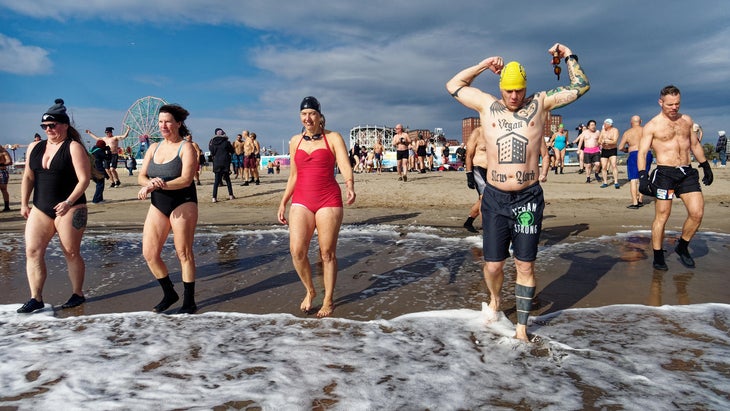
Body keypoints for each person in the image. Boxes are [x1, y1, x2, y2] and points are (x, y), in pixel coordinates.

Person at [446, 43, 590, 341]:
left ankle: (522, 328)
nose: (514, 96)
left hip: (527, 199)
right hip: (495, 198)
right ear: (501, 86)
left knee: (525, 263)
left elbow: (581, 85)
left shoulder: (540, 103)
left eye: (519, 90)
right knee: (493, 265)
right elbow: (454, 85)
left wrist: (568, 55)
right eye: (509, 90)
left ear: (526, 87)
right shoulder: (486, 105)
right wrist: (484, 64)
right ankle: (496, 300)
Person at [277, 96, 356, 318]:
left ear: (320, 116)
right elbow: (293, 175)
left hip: (328, 199)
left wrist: (350, 185)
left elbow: (344, 164)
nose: (308, 118)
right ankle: (310, 290)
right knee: (297, 251)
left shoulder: (333, 137)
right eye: (304, 114)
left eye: (312, 113)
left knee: (327, 253)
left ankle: (328, 299)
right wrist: (283, 201)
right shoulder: (295, 141)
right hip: (301, 199)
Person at [17, 98, 91, 313]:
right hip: (41, 207)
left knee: (71, 252)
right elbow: (28, 177)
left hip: (71, 206)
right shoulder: (35, 147)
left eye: (52, 125)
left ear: (65, 125)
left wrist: (68, 202)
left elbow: (84, 180)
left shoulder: (74, 147)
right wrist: (24, 203)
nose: (48, 129)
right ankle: (36, 298)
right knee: (32, 251)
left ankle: (77, 293)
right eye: (45, 126)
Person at [638, 85, 713, 271]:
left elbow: (694, 144)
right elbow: (642, 153)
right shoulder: (652, 125)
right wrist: (642, 177)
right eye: (670, 104)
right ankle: (658, 255)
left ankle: (682, 246)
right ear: (660, 102)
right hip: (665, 174)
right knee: (662, 215)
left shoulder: (686, 120)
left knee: (697, 213)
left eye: (677, 103)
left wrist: (705, 165)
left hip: (687, 172)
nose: (674, 107)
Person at [137, 104, 199, 314]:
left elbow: (186, 179)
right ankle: (169, 293)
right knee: (150, 253)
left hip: (183, 200)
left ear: (178, 123)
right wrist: (148, 184)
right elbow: (141, 175)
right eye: (161, 121)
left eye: (168, 121)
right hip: (158, 203)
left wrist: (158, 184)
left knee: (183, 252)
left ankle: (189, 302)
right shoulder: (154, 147)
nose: (163, 125)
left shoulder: (186, 147)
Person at [618, 115, 653, 208]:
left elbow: (620, 147)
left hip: (634, 154)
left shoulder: (627, 133)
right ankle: (641, 199)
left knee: (633, 179)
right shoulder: (646, 130)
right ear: (640, 121)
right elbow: (653, 143)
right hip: (646, 153)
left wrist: (627, 150)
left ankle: (635, 202)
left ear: (631, 122)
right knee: (643, 176)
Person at [463, 126, 488, 233]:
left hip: (492, 171)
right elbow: (468, 155)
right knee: (486, 199)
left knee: (483, 199)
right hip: (478, 168)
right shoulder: (477, 133)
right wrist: (469, 174)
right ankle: (487, 229)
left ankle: (468, 222)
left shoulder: (496, 132)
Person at [209, 128, 235, 203]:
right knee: (227, 179)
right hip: (225, 162)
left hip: (217, 162)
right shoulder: (226, 142)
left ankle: (214, 197)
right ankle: (231, 195)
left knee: (216, 181)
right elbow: (232, 150)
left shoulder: (212, 142)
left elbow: (212, 152)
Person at [598, 118, 620, 189]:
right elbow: (599, 140)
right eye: (604, 123)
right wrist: (602, 141)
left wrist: (605, 141)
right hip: (604, 150)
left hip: (612, 150)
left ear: (609, 124)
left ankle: (616, 182)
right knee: (604, 167)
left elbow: (614, 141)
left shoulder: (615, 130)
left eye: (605, 124)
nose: (604, 125)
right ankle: (605, 182)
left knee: (613, 165)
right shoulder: (603, 131)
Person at [90, 139, 111, 204]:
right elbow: (107, 158)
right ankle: (96, 200)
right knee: (100, 185)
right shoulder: (99, 151)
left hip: (92, 169)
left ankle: (100, 199)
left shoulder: (93, 149)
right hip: (98, 169)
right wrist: (108, 151)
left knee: (99, 184)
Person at [0, 144, 12, 212]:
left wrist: (2, 164)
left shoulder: (3, 152)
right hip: (2, 171)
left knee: (3, 189)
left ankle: (6, 206)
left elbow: (9, 161)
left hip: (2, 171)